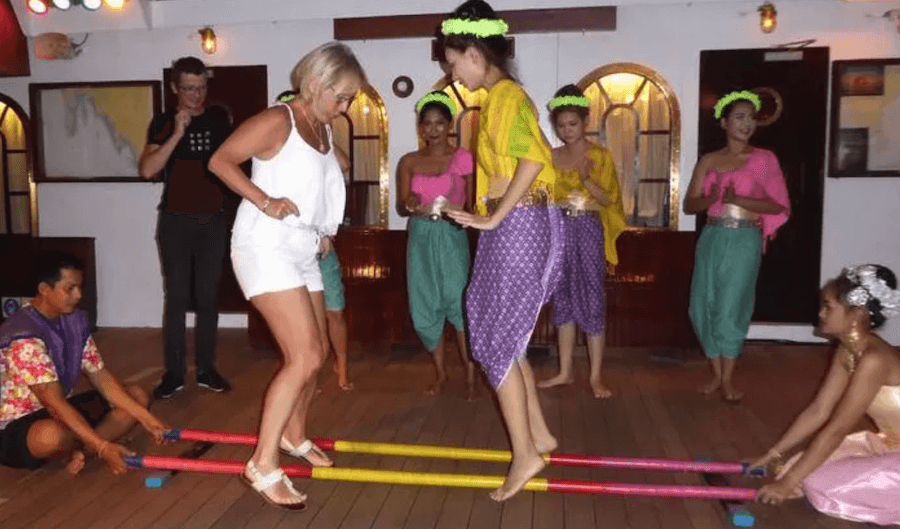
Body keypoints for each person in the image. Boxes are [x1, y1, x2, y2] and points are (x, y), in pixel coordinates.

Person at [208, 42, 365, 510]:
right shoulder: (279, 119)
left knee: (314, 355)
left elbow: (317, 182)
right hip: (264, 247)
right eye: (342, 97)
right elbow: (220, 160)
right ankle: (262, 464)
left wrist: (321, 229)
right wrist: (264, 200)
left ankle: (295, 436)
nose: (346, 106)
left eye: (351, 99)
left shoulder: (321, 127)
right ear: (315, 84)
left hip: (301, 249)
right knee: (306, 354)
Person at [441, 0, 563, 501]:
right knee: (497, 330)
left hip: (520, 223)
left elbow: (535, 159)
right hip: (511, 223)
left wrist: (493, 215)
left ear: (474, 53)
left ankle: (527, 454)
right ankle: (538, 435)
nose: (451, 72)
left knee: (496, 337)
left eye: (453, 62)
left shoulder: (507, 95)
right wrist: (484, 214)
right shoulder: (495, 99)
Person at [750, 265, 900, 525]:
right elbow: (819, 409)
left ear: (856, 315)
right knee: (795, 467)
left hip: (893, 447)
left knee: (815, 483)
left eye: (828, 307)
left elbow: (838, 427)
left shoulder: (875, 360)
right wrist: (772, 454)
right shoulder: (849, 349)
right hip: (891, 444)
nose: (820, 313)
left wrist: (787, 485)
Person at [0, 252, 166, 475]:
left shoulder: (74, 320)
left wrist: (147, 419)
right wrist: (103, 445)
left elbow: (99, 374)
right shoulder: (22, 335)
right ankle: (92, 446)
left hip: (58, 409)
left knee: (137, 397)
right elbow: (54, 403)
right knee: (52, 436)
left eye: (79, 287)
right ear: (44, 289)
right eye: (69, 289)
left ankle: (83, 451)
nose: (78, 295)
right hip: (17, 427)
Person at [683, 89, 790, 402]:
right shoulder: (710, 160)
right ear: (724, 122)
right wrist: (711, 198)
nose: (747, 124)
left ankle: (728, 380)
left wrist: (736, 199)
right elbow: (691, 205)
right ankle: (717, 374)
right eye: (739, 117)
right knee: (700, 306)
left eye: (751, 118)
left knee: (731, 306)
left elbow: (778, 206)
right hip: (713, 236)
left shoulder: (761, 160)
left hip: (744, 237)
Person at [139, 56, 232, 399]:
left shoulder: (219, 118)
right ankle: (174, 373)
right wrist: (177, 134)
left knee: (208, 297)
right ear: (175, 88)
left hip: (212, 220)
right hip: (175, 220)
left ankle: (207, 369)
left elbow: (236, 160)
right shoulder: (164, 121)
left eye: (202, 87)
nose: (196, 95)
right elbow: (148, 169)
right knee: (176, 298)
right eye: (189, 88)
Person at [537, 84, 627, 399]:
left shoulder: (599, 156)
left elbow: (609, 200)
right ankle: (563, 371)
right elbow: (542, 197)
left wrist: (586, 178)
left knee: (591, 294)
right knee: (561, 296)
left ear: (585, 122)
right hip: (559, 230)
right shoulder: (551, 155)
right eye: (560, 125)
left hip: (587, 227)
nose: (566, 130)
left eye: (572, 124)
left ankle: (596, 376)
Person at [396, 91, 477, 399]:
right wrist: (412, 201)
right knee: (424, 303)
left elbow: (470, 203)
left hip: (452, 236)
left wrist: (463, 216)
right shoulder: (409, 161)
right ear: (421, 127)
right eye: (427, 124)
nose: (433, 130)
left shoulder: (462, 157)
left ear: (449, 125)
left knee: (459, 303)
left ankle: (471, 375)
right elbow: (404, 206)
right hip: (420, 236)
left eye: (439, 123)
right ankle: (441, 373)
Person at [277, 90, 353, 392]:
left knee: (334, 312)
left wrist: (320, 138)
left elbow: (344, 165)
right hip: (289, 247)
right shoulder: (279, 160)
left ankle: (342, 369)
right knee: (300, 321)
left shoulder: (321, 143)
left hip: (322, 247)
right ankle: (307, 373)